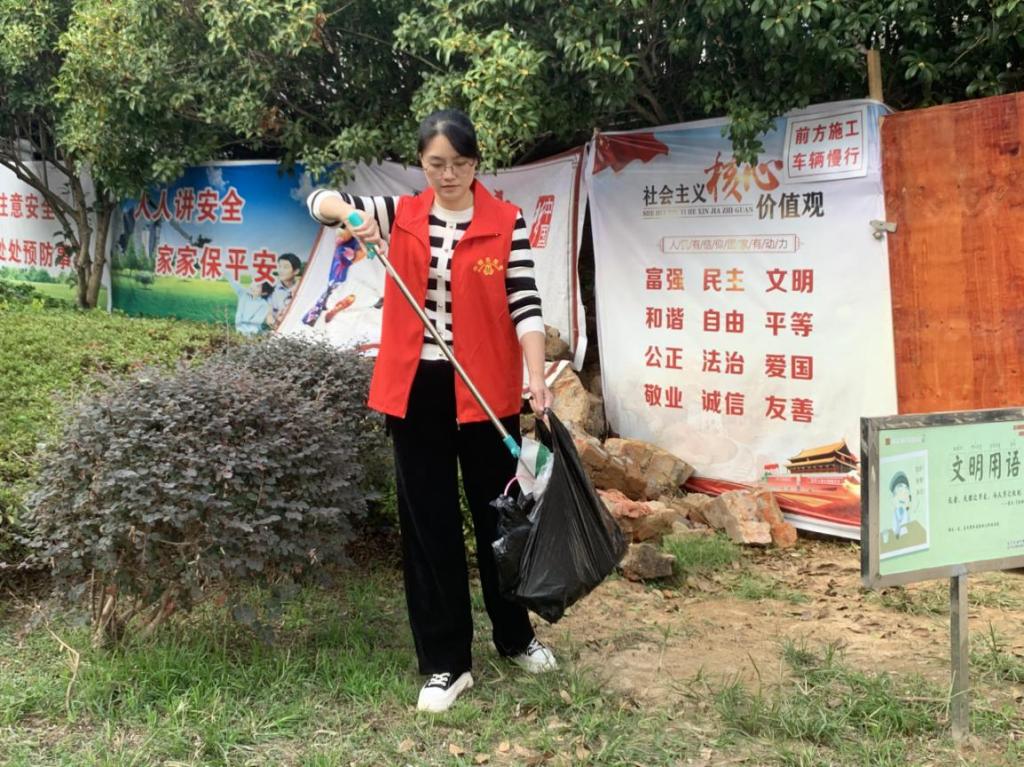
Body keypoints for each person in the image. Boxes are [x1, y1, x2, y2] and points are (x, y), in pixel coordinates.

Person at [307, 108, 557, 713]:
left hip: (486, 391)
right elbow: (320, 200)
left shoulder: (505, 221)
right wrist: (351, 216)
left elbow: (525, 304)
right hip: (415, 389)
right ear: (421, 163)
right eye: (436, 164)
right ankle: (446, 662)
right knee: (430, 526)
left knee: (501, 520)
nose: (448, 175)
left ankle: (515, 637)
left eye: (460, 164)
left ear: (476, 163)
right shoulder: (401, 214)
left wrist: (536, 379)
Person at [224, 271, 274, 335]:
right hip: (239, 333)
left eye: (258, 286)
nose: (253, 286)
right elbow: (234, 283)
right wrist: (225, 272)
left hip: (251, 335)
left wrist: (244, 334)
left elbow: (255, 324)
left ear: (264, 293)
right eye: (254, 283)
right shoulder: (244, 294)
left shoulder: (264, 305)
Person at [268, 252, 302, 327]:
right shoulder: (272, 291)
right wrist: (276, 325)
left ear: (296, 271)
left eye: (285, 267)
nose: (281, 270)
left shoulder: (302, 288)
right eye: (279, 267)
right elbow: (269, 315)